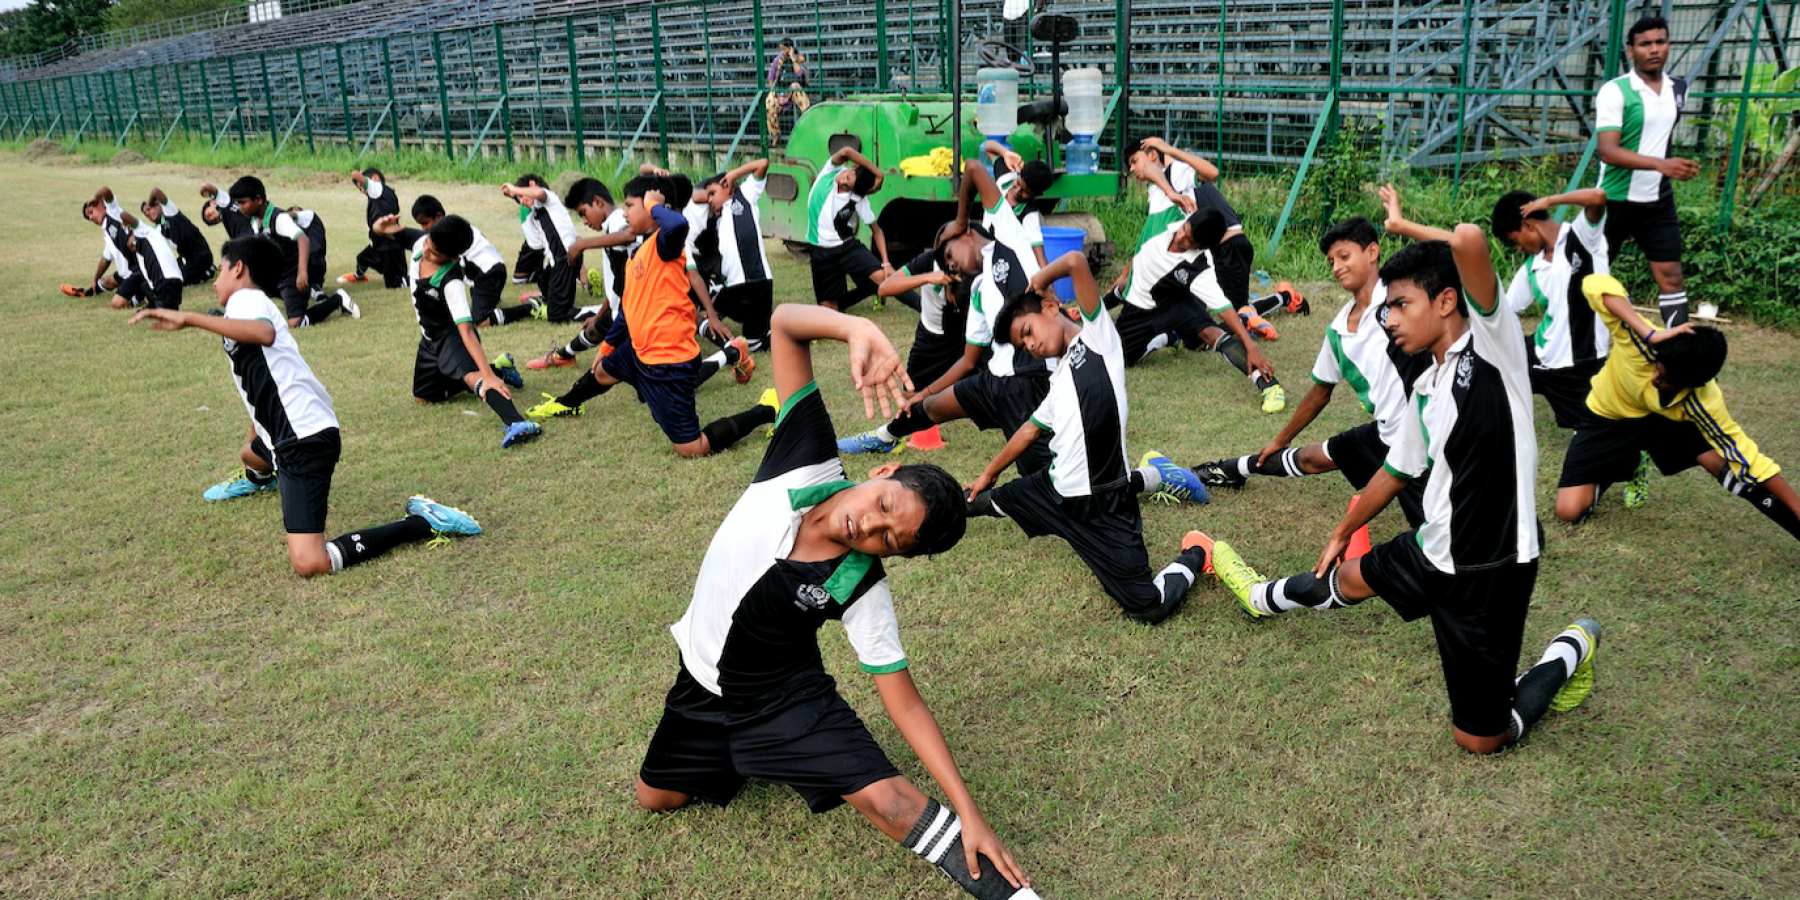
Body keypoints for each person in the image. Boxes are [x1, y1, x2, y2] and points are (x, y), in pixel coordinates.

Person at [635, 300, 1043, 900]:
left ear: (896, 558)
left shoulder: (860, 584)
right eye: (882, 508)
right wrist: (857, 327)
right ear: (885, 472)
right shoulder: (804, 457)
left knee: (888, 800)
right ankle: (745, 756)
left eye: (888, 540)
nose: (867, 529)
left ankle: (1014, 893)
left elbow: (904, 703)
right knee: (655, 799)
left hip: (782, 697)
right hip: (701, 682)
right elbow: (783, 326)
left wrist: (971, 812)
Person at [1213, 232, 1602, 756]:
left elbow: (1467, 240)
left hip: (1491, 569)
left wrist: (1405, 228)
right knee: (1343, 579)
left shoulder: (1495, 347)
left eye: (1400, 304)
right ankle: (1262, 598)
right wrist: (1340, 532)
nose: (1389, 318)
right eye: (1387, 305)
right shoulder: (1426, 386)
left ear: (1446, 302)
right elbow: (1397, 471)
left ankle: (1568, 650)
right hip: (1429, 546)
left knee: (1481, 740)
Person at [127, 235, 482, 575]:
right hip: (288, 432)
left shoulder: (245, 300)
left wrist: (188, 318)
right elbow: (263, 378)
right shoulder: (246, 305)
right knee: (249, 453)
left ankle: (421, 522)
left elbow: (263, 333)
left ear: (237, 269)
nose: (215, 282)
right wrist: (258, 430)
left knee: (309, 562)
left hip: (302, 441)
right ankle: (261, 475)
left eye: (220, 271)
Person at [965, 250, 1214, 624]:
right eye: (1022, 345)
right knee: (979, 502)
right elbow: (1030, 429)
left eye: (1027, 332)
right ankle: (924, 516)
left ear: (1050, 308)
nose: (1029, 346)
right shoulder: (1059, 377)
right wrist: (989, 472)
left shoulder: (1100, 341)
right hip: (1054, 492)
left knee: (1147, 609)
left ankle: (1195, 552)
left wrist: (1038, 279)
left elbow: (1077, 262)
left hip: (1107, 503)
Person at [1191, 216, 1430, 525]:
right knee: (1309, 459)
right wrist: (1281, 439)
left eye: (1344, 256)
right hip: (1387, 434)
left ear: (1372, 252)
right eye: (1331, 261)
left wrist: (1402, 225)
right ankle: (1232, 469)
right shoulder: (1338, 330)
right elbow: (1319, 395)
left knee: (1437, 541)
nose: (1337, 267)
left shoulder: (1404, 300)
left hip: (1425, 440)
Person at [524, 178, 769, 456]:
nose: (625, 213)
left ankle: (767, 409)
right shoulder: (636, 255)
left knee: (691, 448)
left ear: (653, 209)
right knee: (601, 372)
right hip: (639, 352)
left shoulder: (666, 245)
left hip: (669, 363)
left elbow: (677, 225)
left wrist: (653, 205)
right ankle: (565, 404)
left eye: (630, 205)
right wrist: (607, 347)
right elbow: (628, 310)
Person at [836, 161, 1051, 469]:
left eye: (949, 254)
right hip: (990, 379)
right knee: (928, 404)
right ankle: (885, 436)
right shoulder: (976, 290)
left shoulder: (1008, 239)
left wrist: (961, 219)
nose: (950, 264)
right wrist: (922, 394)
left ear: (965, 234)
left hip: (1026, 382)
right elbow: (967, 361)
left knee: (1039, 472)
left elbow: (976, 168)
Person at [1552, 273, 1800, 539]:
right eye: (1658, 369)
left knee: (1724, 464)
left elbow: (1750, 459)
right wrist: (1650, 332)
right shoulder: (1642, 343)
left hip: (1663, 423)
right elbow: (1594, 284)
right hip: (1607, 416)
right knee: (1569, 512)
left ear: (1691, 384)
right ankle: (1627, 461)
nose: (1654, 378)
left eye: (1666, 379)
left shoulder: (1703, 401)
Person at [1105, 208, 1287, 414]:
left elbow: (1224, 308)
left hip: (1177, 305)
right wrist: (1112, 292)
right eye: (1184, 229)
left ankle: (1269, 386)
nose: (1180, 236)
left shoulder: (1198, 267)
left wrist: (1251, 346)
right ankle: (1169, 337)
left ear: (1201, 246)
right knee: (1120, 359)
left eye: (1188, 239)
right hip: (1140, 309)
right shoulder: (1168, 223)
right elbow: (1141, 255)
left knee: (1211, 335)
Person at [1120, 136, 1303, 339]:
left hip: (1230, 248)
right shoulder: (1160, 187)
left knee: (1233, 315)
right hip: (1212, 252)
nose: (1133, 170)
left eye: (1135, 161)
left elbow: (1212, 172)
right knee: (1198, 317)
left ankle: (1285, 296)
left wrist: (1169, 149)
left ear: (1152, 154)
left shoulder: (1176, 173)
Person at [1596, 15, 1703, 324]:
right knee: (1591, 275)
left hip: (1657, 201)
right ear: (1631, 51)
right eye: (1645, 44)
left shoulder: (1678, 89)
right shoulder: (1615, 91)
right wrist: (1662, 164)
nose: (1654, 49)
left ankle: (1679, 354)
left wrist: (1666, 168)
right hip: (1612, 200)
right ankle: (1572, 345)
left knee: (1670, 275)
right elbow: (1608, 150)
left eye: (1660, 41)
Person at [525, 177, 639, 370]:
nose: (585, 221)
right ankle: (562, 356)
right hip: (622, 306)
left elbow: (630, 234)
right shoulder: (609, 231)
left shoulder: (619, 220)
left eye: (584, 213)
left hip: (633, 309)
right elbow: (617, 286)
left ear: (598, 202)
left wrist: (583, 244)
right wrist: (599, 314)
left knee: (607, 367)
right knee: (596, 329)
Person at [227, 176, 359, 328]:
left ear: (258, 199)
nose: (240, 208)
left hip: (292, 273)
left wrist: (302, 272)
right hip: (278, 274)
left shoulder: (279, 219)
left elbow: (303, 239)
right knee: (250, 288)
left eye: (242, 202)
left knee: (296, 322)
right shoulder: (255, 222)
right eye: (237, 203)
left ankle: (337, 300)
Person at [411, 195, 540, 328]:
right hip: (487, 271)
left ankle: (529, 308)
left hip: (489, 273)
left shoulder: (448, 234)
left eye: (425, 223)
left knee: (480, 321)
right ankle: (488, 298)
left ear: (438, 216)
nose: (424, 229)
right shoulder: (454, 225)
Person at [698, 159, 776, 351]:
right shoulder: (717, 218)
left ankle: (772, 334)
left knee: (753, 344)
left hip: (755, 281)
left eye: (713, 193)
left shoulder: (745, 195)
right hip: (733, 285)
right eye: (708, 196)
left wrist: (733, 174)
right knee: (712, 309)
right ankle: (765, 329)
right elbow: (695, 198)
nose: (710, 199)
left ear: (727, 186)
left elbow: (763, 163)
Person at [805, 146, 892, 311]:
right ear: (853, 167)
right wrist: (879, 174)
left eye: (847, 185)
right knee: (830, 311)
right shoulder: (832, 170)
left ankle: (876, 290)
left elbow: (877, 230)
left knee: (883, 279)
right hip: (820, 251)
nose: (843, 180)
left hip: (845, 246)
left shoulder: (857, 196)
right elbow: (845, 151)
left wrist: (886, 263)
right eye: (848, 177)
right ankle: (868, 291)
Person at [503, 173, 584, 324]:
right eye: (518, 200)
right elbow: (538, 243)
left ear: (532, 185)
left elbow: (539, 193)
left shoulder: (547, 199)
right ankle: (555, 300)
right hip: (557, 260)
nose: (522, 202)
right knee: (543, 279)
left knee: (557, 316)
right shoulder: (537, 213)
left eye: (522, 196)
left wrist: (515, 189)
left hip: (565, 258)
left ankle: (599, 311)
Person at [61, 187, 146, 309]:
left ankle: (140, 296)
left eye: (91, 212)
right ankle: (87, 292)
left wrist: (96, 197)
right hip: (125, 273)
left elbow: (105, 190)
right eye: (89, 218)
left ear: (101, 204)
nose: (91, 218)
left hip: (138, 271)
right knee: (106, 282)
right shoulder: (107, 232)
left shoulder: (113, 212)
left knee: (116, 303)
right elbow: (105, 259)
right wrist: (95, 280)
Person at [982, 140, 1053, 267]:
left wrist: (1048, 283)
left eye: (1026, 192)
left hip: (1001, 261)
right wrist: (1006, 153)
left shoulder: (1029, 213)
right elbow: (988, 146)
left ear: (1036, 195)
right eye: (1019, 184)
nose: (1018, 191)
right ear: (1019, 173)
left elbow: (1039, 255)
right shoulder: (1006, 178)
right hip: (982, 246)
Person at [341, 168, 407, 288]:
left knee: (394, 283)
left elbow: (355, 175)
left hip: (389, 245)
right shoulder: (379, 197)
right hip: (379, 244)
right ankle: (358, 276)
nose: (362, 190)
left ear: (375, 178)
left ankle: (415, 280)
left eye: (362, 186)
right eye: (359, 189)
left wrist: (358, 174)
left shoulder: (378, 189)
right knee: (362, 258)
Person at [143, 188, 215, 285]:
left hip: (201, 255)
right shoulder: (159, 230)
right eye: (146, 215)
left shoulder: (170, 211)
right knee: (168, 273)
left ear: (157, 204)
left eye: (149, 209)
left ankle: (208, 272)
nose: (149, 214)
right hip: (187, 259)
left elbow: (155, 191)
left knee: (176, 280)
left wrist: (151, 202)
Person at [764, 37, 811, 145]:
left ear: (790, 49)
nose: (782, 52)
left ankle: (809, 122)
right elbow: (771, 78)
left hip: (795, 89)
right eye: (780, 50)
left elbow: (799, 74)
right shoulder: (777, 60)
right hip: (781, 89)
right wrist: (774, 90)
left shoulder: (799, 58)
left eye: (784, 49)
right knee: (769, 101)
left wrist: (793, 59)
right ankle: (775, 133)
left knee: (795, 87)